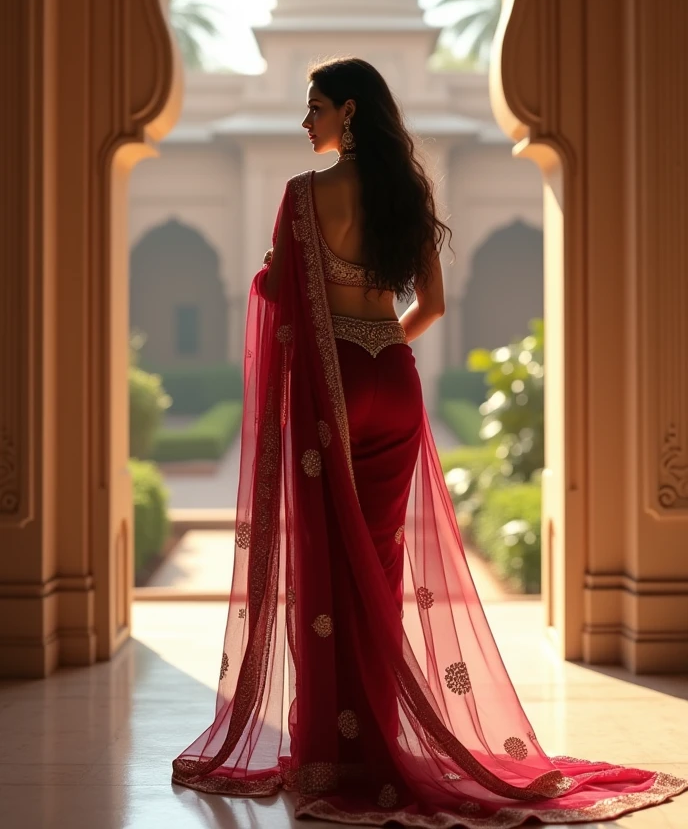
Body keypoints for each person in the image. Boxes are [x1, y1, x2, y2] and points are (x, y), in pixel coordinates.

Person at [172, 57, 686, 825]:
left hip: (338, 390)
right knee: (378, 569)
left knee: (327, 574)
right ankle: (383, 739)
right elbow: (433, 306)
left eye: (313, 107)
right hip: (394, 378)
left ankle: (339, 753)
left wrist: (277, 280)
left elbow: (280, 297)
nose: (304, 122)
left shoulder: (302, 197)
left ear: (347, 111)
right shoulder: (408, 194)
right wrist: (379, 335)